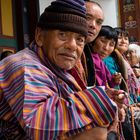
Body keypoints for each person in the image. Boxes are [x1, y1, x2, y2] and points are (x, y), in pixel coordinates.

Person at [0, 0, 122, 140]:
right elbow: (38, 122)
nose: (72, 46)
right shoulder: (23, 66)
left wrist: (105, 97)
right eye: (62, 34)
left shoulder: (55, 66)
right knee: (96, 131)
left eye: (79, 40)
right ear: (39, 36)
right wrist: (100, 101)